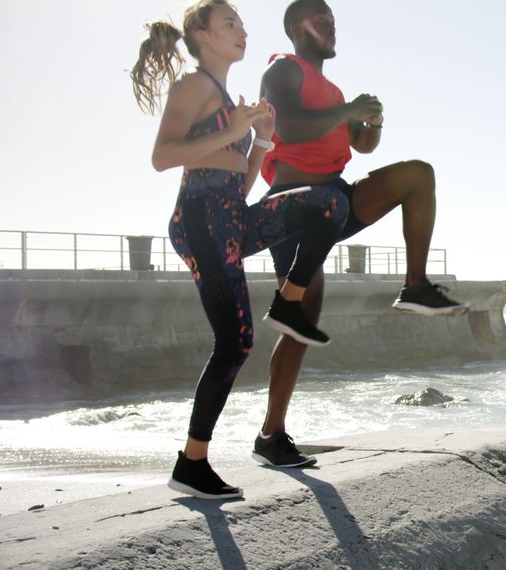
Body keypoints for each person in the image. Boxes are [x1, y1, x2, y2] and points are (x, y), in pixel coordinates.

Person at [132, 0, 351, 499]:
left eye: (243, 23)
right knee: (235, 342)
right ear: (203, 36)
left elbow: (242, 185)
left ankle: (287, 302)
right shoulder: (193, 87)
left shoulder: (230, 101)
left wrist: (261, 141)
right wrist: (234, 131)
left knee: (328, 203)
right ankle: (192, 463)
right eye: (230, 23)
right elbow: (161, 157)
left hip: (232, 215)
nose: (242, 31)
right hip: (199, 219)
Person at [248, 0, 468, 468]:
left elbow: (362, 145)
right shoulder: (283, 71)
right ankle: (272, 435)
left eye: (334, 19)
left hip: (339, 197)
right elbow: (288, 124)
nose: (331, 25)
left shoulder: (332, 89)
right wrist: (348, 108)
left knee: (417, 176)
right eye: (321, 18)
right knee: (301, 320)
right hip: (296, 205)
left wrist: (372, 120)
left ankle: (415, 285)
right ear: (295, 27)